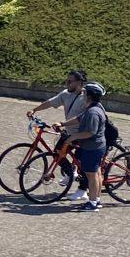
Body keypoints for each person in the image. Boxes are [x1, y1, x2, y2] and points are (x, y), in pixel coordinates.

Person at [28, 69, 90, 199]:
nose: (67, 83)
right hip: (68, 132)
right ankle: (70, 174)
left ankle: (83, 189)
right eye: (66, 80)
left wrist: (63, 123)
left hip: (81, 135)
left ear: (79, 83)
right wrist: (34, 110)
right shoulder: (66, 94)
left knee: (82, 162)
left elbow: (85, 117)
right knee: (57, 153)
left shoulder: (86, 97)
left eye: (70, 81)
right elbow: (51, 102)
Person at [65, 82, 108, 212]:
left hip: (92, 147)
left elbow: (90, 132)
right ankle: (97, 200)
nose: (82, 95)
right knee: (96, 173)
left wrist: (73, 137)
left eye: (84, 93)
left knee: (91, 175)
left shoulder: (93, 112)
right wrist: (63, 123)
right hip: (96, 146)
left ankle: (93, 203)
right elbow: (79, 118)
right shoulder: (93, 107)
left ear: (89, 95)